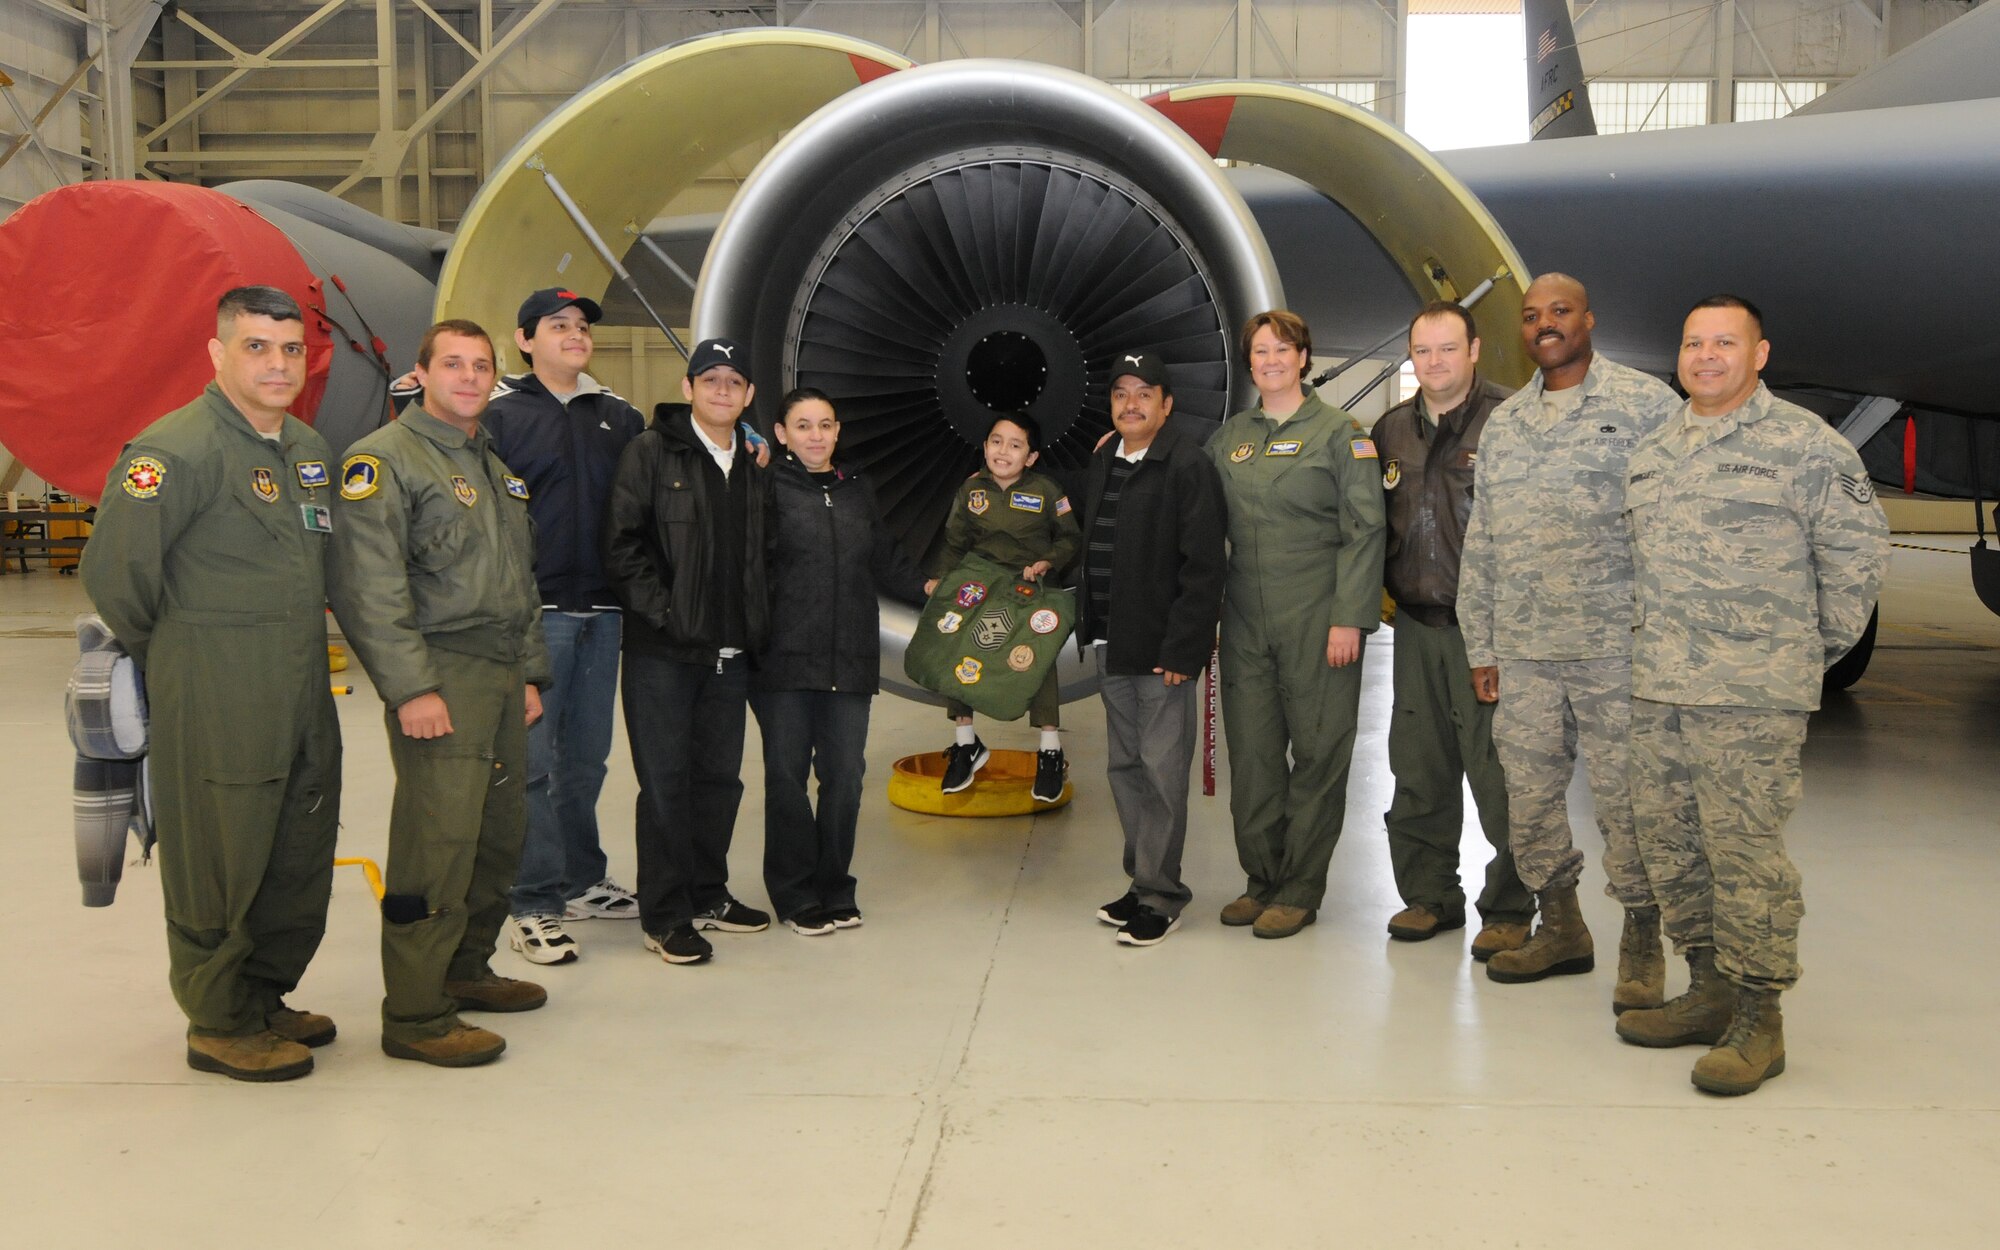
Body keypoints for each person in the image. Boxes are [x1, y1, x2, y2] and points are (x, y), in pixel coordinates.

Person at [1616, 296, 1887, 1094]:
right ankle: (1707, 990)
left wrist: (1790, 656)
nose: (1705, 356)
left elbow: (1854, 568)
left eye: (1724, 343)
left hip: (1749, 697)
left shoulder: (1806, 447)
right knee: (1671, 848)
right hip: (1659, 688)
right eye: (1694, 342)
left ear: (1759, 355)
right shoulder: (1655, 449)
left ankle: (1759, 1019)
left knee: (1744, 857)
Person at [82, 285, 341, 1082]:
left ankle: (262, 993)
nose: (276, 363)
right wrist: (189, 658)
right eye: (257, 346)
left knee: (295, 842)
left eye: (289, 348)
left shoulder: (307, 451)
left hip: (299, 686)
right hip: (214, 686)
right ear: (218, 354)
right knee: (219, 850)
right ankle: (218, 1018)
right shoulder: (177, 451)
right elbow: (117, 577)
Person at [328, 319, 550, 1068]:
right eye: (451, 364)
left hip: (497, 671)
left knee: (496, 831)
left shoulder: (492, 465)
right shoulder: (384, 461)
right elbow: (368, 586)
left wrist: (526, 671)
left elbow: (518, 582)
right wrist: (410, 687)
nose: (468, 376)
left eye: (481, 365)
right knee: (437, 841)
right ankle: (416, 1013)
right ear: (420, 374)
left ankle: (465, 968)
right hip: (439, 670)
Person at [1458, 273, 1678, 1009]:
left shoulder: (1646, 406)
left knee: (1628, 803)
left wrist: (1663, 634)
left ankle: (1642, 941)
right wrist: (1481, 644)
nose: (1544, 324)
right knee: (1530, 800)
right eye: (1530, 316)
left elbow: (1674, 528)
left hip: (1617, 651)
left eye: (1558, 312)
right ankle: (1561, 926)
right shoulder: (1508, 422)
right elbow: (1482, 541)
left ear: (1589, 319)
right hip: (1524, 652)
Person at [1206, 310, 1387, 940]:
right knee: (1253, 757)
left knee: (1317, 754)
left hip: (1318, 618)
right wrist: (1124, 456)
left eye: (1283, 349)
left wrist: (1351, 620)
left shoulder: (1342, 434)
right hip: (1246, 622)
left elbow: (1366, 530)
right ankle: (1262, 879)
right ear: (1249, 362)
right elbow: (1195, 510)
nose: (1271, 360)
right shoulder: (1231, 437)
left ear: (1304, 357)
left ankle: (1301, 888)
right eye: (1260, 351)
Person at [485, 288, 644, 966]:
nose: (575, 335)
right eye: (559, 326)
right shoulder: (498, 417)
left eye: (582, 327)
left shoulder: (621, 417)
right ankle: (532, 902)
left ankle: (581, 878)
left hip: (603, 613)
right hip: (538, 615)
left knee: (586, 760)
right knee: (534, 764)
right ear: (525, 340)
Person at [603, 338, 773, 966]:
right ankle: (665, 914)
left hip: (730, 654)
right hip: (664, 654)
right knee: (666, 784)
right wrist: (668, 616)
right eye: (710, 379)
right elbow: (622, 546)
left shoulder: (754, 465)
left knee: (719, 782)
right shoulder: (650, 454)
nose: (722, 390)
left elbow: (764, 554)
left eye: (734, 381)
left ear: (748, 395)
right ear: (688, 387)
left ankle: (708, 892)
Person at [1372, 301, 1533, 960]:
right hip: (1415, 626)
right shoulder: (1389, 431)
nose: (1434, 363)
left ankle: (1511, 907)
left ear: (1474, 351)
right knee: (1418, 769)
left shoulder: (1514, 423)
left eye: (1447, 349)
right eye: (1423, 351)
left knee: (1500, 776)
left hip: (1489, 632)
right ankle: (1430, 896)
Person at [752, 388, 927, 935]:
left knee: (845, 779)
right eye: (803, 425)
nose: (816, 435)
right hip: (783, 662)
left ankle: (835, 886)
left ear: (837, 431)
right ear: (781, 434)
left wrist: (933, 588)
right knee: (786, 778)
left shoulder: (856, 489)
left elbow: (885, 559)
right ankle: (795, 893)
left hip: (849, 660)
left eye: (825, 425)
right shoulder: (764, 490)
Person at [1077, 351, 1227, 947]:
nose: (1130, 403)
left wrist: (1182, 650)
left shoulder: (1187, 465)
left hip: (1162, 653)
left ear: (1166, 404)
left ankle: (1162, 895)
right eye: (1120, 393)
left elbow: (1204, 567)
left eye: (1144, 393)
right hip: (1114, 644)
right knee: (1124, 768)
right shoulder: (1102, 462)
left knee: (1163, 773)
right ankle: (1141, 883)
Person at [923, 412, 1082, 803]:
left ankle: (1049, 751)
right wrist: (939, 579)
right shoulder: (971, 490)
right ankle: (965, 743)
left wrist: (1048, 561)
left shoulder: (1047, 491)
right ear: (985, 446)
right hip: (980, 585)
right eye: (996, 441)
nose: (1003, 451)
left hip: (1032, 587)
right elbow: (954, 543)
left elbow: (1070, 539)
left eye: (1015, 445)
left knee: (1035, 656)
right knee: (956, 644)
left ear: (1031, 457)